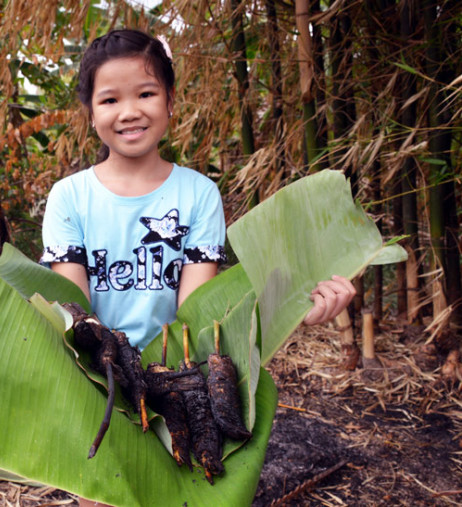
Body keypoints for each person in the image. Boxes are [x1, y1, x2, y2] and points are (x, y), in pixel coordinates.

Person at [40, 28, 354, 505]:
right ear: (91, 113)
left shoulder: (198, 194)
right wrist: (117, 376)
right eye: (110, 99)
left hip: (177, 383)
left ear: (170, 101)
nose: (129, 111)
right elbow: (74, 311)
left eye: (146, 93)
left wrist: (296, 309)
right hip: (100, 379)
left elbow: (198, 311)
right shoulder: (70, 196)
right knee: (104, 496)